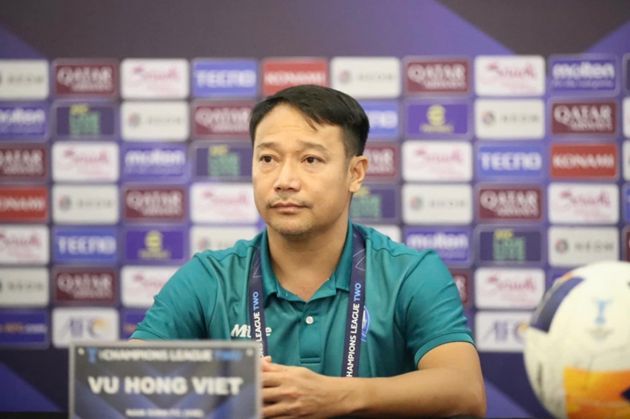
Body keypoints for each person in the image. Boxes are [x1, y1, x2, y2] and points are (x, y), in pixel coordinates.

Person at [131, 84, 486, 418]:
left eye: (311, 160)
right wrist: (223, 388)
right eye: (267, 158)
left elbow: (465, 390)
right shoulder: (209, 278)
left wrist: (337, 396)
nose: (284, 180)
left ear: (355, 173)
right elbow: (125, 383)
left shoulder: (410, 274)